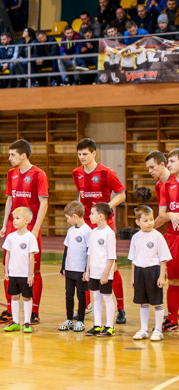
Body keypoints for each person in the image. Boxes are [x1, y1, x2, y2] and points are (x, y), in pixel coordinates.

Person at [73, 138, 127, 324]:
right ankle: (87, 304)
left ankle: (121, 308)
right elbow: (81, 195)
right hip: (86, 224)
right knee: (86, 265)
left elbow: (122, 194)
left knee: (112, 267)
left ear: (94, 153)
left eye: (85, 154)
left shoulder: (106, 172)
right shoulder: (76, 173)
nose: (82, 157)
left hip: (104, 224)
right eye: (79, 154)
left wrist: (105, 208)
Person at [0, 139, 48, 324]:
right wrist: (4, 225)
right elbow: (9, 200)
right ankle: (11, 311)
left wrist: (36, 229)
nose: (9, 158)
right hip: (13, 225)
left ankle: (34, 311)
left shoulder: (39, 174)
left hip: (31, 227)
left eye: (12, 155)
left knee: (34, 268)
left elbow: (44, 203)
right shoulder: (11, 174)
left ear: (23, 155)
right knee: (9, 267)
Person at [129, 204, 171, 341]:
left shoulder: (158, 236)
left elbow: (163, 259)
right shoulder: (135, 237)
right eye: (145, 220)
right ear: (138, 222)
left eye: (151, 219)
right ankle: (144, 329)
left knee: (157, 302)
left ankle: (158, 330)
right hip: (139, 272)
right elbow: (133, 259)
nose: (150, 223)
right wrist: (133, 277)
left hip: (153, 271)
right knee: (143, 302)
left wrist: (162, 276)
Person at [148, 149, 179, 331]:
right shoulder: (166, 186)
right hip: (174, 237)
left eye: (173, 161)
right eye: (169, 161)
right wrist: (171, 214)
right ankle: (173, 320)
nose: (169, 164)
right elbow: (162, 214)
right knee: (173, 280)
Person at [1, 206, 39, 333]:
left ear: (27, 221)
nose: (14, 221)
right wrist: (6, 271)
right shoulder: (11, 237)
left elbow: (32, 257)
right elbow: (7, 254)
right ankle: (16, 322)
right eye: (14, 218)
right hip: (13, 273)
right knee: (14, 297)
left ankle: (27, 322)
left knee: (26, 297)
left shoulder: (30, 237)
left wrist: (30, 274)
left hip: (25, 274)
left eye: (18, 218)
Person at [84, 203, 118, 337]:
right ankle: (97, 325)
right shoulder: (93, 232)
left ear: (101, 216)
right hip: (94, 272)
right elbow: (89, 253)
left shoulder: (109, 233)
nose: (89, 216)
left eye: (92, 213)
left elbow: (111, 256)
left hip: (104, 273)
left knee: (107, 297)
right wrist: (87, 271)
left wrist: (106, 274)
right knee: (96, 297)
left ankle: (109, 326)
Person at [59, 201, 90, 332]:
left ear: (75, 216)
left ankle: (81, 321)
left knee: (81, 295)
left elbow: (89, 252)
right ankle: (69, 319)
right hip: (70, 269)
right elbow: (67, 248)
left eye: (68, 218)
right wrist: (63, 266)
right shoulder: (70, 231)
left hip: (80, 270)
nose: (67, 221)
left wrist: (87, 270)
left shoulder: (87, 231)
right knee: (69, 295)